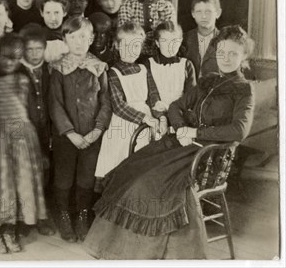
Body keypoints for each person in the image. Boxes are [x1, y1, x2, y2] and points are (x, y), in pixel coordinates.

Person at [84, 25, 255, 259]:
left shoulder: (244, 89)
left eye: (233, 54)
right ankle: (120, 248)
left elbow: (240, 130)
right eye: (221, 52)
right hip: (180, 143)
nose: (225, 58)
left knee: (150, 181)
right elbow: (176, 106)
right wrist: (181, 127)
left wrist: (194, 133)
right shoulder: (208, 81)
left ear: (243, 56)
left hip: (206, 156)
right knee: (132, 168)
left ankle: (150, 253)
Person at [0, 34, 47, 254]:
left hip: (24, 139)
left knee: (19, 184)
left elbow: (33, 114)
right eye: (5, 58)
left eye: (15, 59)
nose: (9, 63)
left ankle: (10, 229)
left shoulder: (22, 79)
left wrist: (42, 148)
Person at [48, 17, 111, 242]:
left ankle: (83, 215)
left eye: (83, 36)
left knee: (86, 179)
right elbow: (54, 104)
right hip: (67, 137)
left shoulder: (99, 67)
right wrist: (70, 133)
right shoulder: (57, 69)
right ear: (64, 39)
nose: (78, 42)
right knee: (64, 178)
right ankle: (64, 215)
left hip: (91, 137)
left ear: (91, 38)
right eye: (72, 37)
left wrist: (97, 130)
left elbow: (106, 102)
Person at [94, 22, 165, 179]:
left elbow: (154, 96)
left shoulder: (144, 69)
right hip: (124, 122)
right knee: (122, 161)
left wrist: (160, 116)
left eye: (136, 46)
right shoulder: (113, 73)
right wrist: (144, 118)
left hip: (148, 120)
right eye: (126, 45)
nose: (131, 51)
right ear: (117, 46)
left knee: (145, 163)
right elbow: (119, 106)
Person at [18, 24, 56, 236]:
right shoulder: (18, 71)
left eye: (38, 49)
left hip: (46, 131)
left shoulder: (50, 70)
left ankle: (42, 217)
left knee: (44, 174)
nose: (34, 54)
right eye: (29, 50)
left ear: (44, 49)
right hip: (26, 132)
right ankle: (25, 218)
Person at [147, 21, 197, 111]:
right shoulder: (149, 64)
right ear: (157, 43)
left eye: (174, 41)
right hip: (156, 111)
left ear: (180, 41)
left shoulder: (186, 64)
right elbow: (149, 94)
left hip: (180, 111)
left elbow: (191, 94)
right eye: (164, 41)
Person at [183, 0, 222, 78]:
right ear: (193, 14)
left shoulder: (224, 40)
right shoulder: (184, 39)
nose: (203, 16)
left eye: (208, 12)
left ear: (218, 13)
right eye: (199, 12)